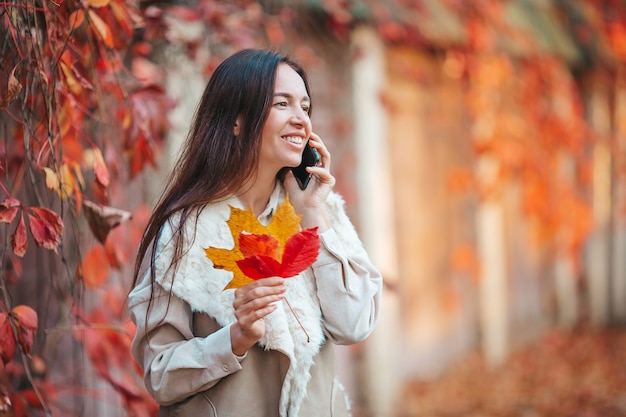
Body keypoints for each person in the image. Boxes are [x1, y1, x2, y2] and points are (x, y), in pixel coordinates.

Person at [128, 48, 383, 417]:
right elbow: (159, 375)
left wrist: (314, 211)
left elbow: (355, 324)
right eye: (283, 104)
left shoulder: (315, 213)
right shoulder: (184, 233)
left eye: (305, 107)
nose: (301, 120)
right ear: (237, 120)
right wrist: (234, 339)